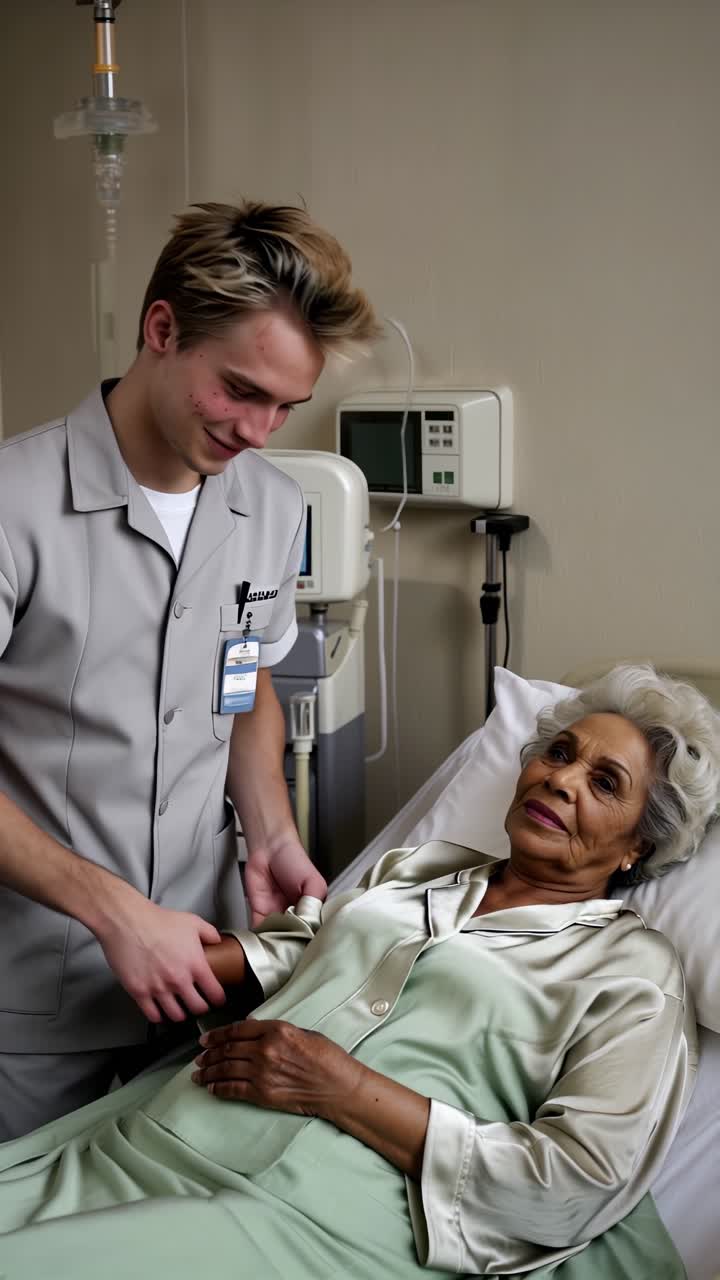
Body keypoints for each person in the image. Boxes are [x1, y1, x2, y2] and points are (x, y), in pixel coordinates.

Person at [0, 665, 717, 1279]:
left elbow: (575, 1180)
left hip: (316, 1215)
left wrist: (341, 1088)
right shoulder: (420, 870)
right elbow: (308, 948)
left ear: (638, 844)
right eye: (559, 752)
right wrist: (147, 937)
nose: (561, 780)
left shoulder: (633, 975)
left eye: (604, 782)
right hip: (154, 1141)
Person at [0, 199, 380, 1140]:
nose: (260, 430)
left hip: (199, 983)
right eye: (242, 391)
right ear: (161, 328)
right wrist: (114, 911)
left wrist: (271, 834)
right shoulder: (15, 507)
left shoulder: (269, 507)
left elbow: (244, 681)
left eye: (287, 406)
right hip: (30, 1004)